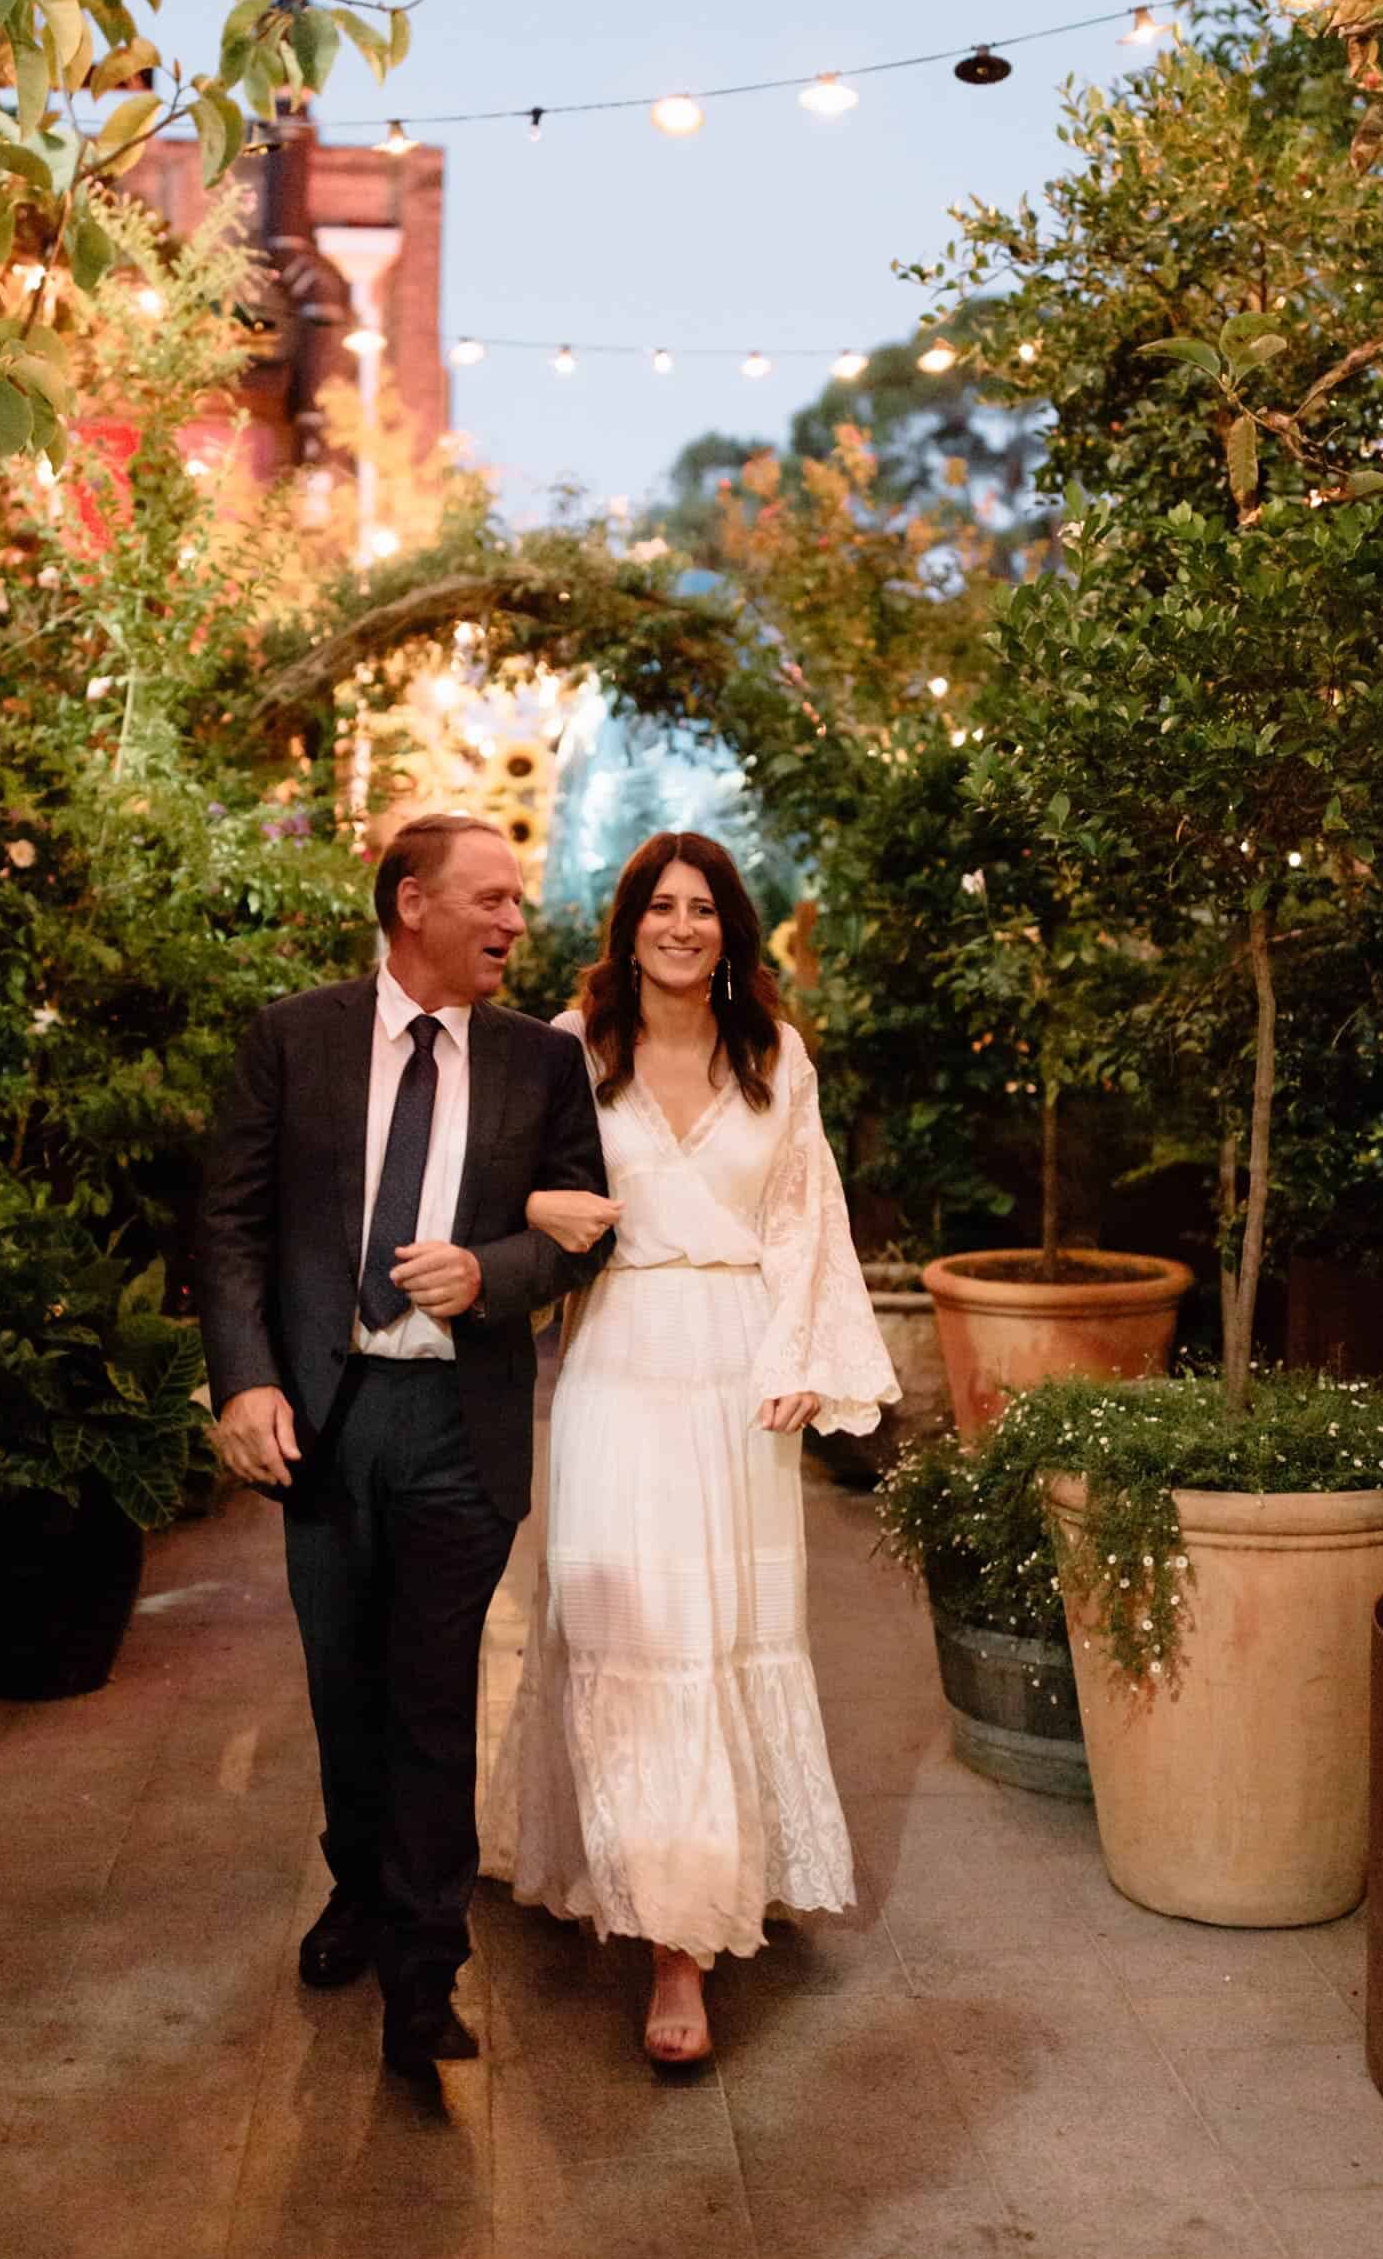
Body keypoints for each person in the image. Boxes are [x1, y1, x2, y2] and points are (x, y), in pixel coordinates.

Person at [195, 813, 617, 2079]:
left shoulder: (543, 1062)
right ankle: (360, 1891)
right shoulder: (293, 1038)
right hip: (326, 1421)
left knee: (434, 1694)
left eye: (518, 905)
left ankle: (425, 1971)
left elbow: (584, 1225)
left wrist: (485, 1272)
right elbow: (228, 1229)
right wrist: (244, 1382)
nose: (511, 923)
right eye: (489, 899)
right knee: (346, 1687)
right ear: (411, 902)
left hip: (457, 1425)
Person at [481, 831, 900, 2066]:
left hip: (738, 1369)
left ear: (733, 928)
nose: (681, 925)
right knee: (628, 1628)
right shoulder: (573, 1047)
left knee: (720, 1636)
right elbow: (495, 1187)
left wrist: (799, 1359)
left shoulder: (777, 1055)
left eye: (703, 907)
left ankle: (683, 1947)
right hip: (617, 1357)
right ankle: (632, 1867)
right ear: (627, 926)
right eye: (659, 906)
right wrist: (532, 1210)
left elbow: (808, 1223)